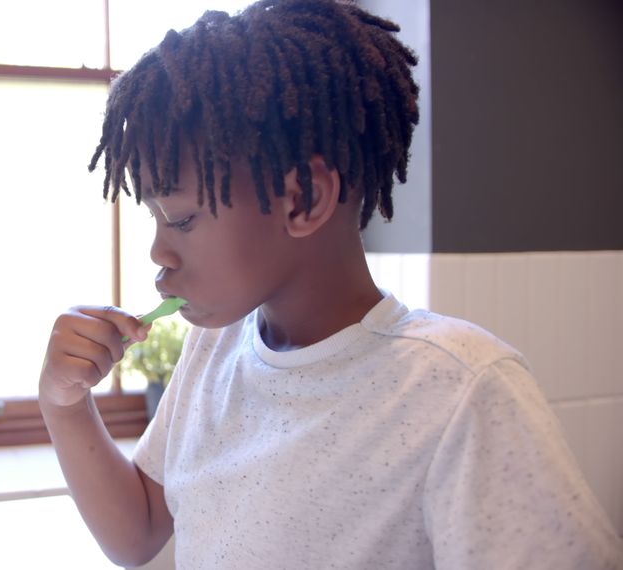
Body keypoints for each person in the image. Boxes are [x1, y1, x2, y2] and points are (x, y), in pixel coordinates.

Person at [37, 0, 623, 568]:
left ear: (306, 198)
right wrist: (64, 405)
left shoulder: (460, 389)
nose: (159, 251)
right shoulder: (214, 348)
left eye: (184, 219)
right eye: (156, 219)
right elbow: (137, 533)